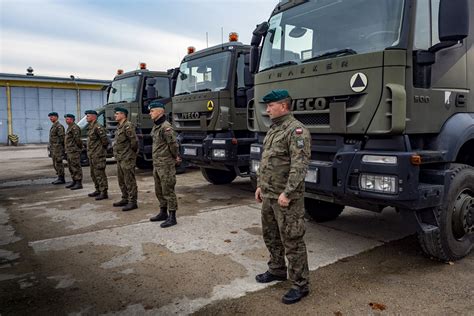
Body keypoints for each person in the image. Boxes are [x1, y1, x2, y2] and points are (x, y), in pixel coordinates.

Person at [254, 89, 311, 304]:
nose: (267, 109)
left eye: (271, 105)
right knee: (271, 236)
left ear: (284, 106)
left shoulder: (296, 131)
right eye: (267, 106)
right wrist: (260, 186)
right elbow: (267, 161)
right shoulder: (273, 130)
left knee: (292, 240)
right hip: (269, 195)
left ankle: (301, 284)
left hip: (286, 198)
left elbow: (300, 165)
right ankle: (277, 269)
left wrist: (287, 193)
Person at [148, 101, 181, 228]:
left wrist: (175, 157)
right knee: (159, 190)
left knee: (168, 190)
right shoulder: (156, 126)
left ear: (160, 111)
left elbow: (173, 145)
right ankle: (163, 213)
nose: (150, 113)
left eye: (152, 111)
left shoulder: (166, 127)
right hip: (157, 164)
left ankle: (172, 217)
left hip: (166, 164)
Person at [112, 107, 138, 211]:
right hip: (120, 158)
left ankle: (133, 202)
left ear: (123, 115)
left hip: (127, 158)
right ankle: (125, 198)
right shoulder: (119, 127)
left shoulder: (128, 126)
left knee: (129, 181)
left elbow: (134, 142)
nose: (115, 115)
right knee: (121, 180)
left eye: (117, 113)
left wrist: (131, 154)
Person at [85, 110, 109, 200]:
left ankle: (104, 192)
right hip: (92, 155)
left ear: (94, 117)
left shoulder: (98, 127)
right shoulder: (91, 127)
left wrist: (100, 151)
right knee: (93, 174)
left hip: (98, 155)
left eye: (88, 116)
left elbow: (105, 141)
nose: (86, 118)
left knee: (100, 174)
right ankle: (98, 189)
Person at [64, 113, 83, 190]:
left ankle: (78, 182)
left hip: (74, 151)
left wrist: (78, 148)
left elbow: (77, 140)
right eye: (66, 119)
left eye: (67, 119)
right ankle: (74, 181)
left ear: (72, 119)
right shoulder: (69, 127)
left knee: (75, 166)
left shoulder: (75, 128)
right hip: (69, 150)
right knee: (71, 167)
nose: (66, 120)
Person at [48, 112, 65, 184]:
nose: (50, 118)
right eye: (50, 117)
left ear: (56, 117)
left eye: (52, 117)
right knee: (55, 163)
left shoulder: (59, 126)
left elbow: (62, 138)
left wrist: (61, 148)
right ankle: (59, 177)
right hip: (54, 148)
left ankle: (61, 178)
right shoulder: (54, 126)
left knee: (58, 163)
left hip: (58, 148)